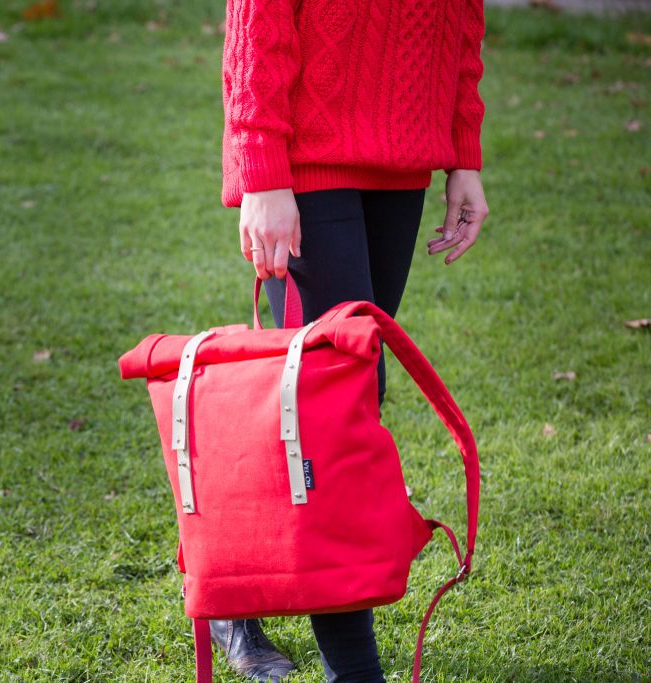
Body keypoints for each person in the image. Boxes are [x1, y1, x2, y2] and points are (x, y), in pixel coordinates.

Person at [215, 0, 491, 681]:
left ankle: (228, 587)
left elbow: (461, 20)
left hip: (402, 151)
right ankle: (355, 667)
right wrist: (263, 169)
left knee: (327, 398)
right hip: (303, 156)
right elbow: (259, 19)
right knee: (334, 406)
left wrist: (463, 152)